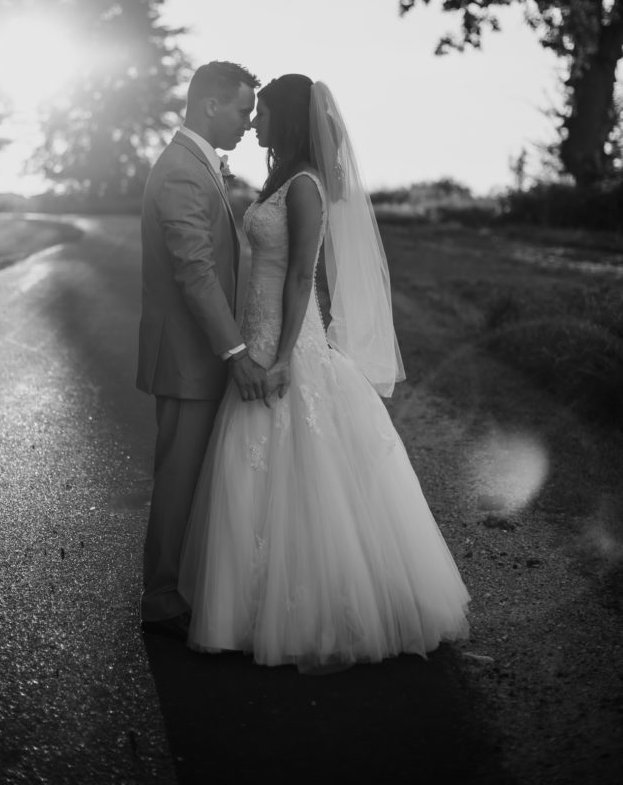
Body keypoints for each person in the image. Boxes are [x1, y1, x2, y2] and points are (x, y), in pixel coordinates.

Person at [179, 74, 470, 672]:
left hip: (287, 343)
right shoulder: (278, 180)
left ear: (285, 121)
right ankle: (249, 608)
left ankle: (311, 613)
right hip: (254, 336)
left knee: (299, 470)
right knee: (250, 470)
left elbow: (299, 278)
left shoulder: (306, 186)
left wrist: (283, 355)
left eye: (261, 115)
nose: (253, 123)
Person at [137, 60, 270, 638]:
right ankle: (162, 595)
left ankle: (181, 584)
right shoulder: (183, 172)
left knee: (191, 474)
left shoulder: (196, 165)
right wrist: (236, 353)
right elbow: (195, 271)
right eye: (243, 109)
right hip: (191, 356)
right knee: (178, 475)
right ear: (211, 105)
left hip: (198, 352)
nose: (249, 122)